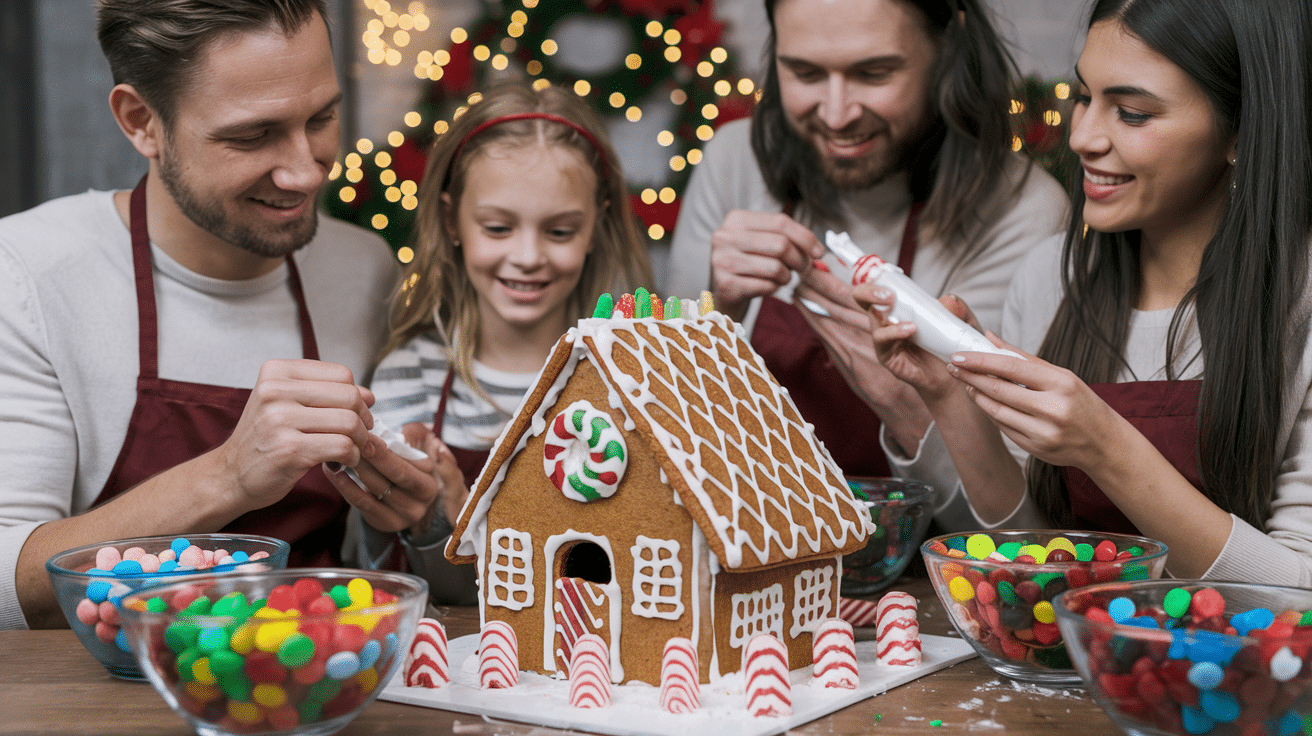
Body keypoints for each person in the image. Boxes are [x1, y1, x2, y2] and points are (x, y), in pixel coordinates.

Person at [0, 0, 437, 629]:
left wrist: (417, 516)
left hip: (320, 673)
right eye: (252, 136)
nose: (305, 171)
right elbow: (7, 587)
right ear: (142, 121)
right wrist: (230, 476)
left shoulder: (364, 268)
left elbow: (374, 557)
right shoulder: (27, 275)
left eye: (321, 118)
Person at [860, 0, 1312, 583]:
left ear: (1242, 130)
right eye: (1082, 96)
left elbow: (1300, 595)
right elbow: (1036, 559)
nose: (1081, 136)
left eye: (1131, 113)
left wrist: (1107, 447)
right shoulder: (1050, 276)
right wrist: (950, 395)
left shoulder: (1299, 301)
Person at [665, 0, 1068, 529]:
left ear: (946, 49)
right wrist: (717, 316)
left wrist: (908, 404)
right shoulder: (733, 163)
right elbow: (667, 434)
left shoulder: (1022, 211)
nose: (837, 115)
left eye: (874, 73)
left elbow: (1020, 534)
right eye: (805, 72)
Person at [362, 84, 653, 603]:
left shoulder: (632, 375)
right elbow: (377, 570)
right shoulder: (410, 378)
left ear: (596, 225)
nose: (527, 256)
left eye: (560, 232)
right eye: (498, 228)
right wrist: (437, 525)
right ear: (451, 220)